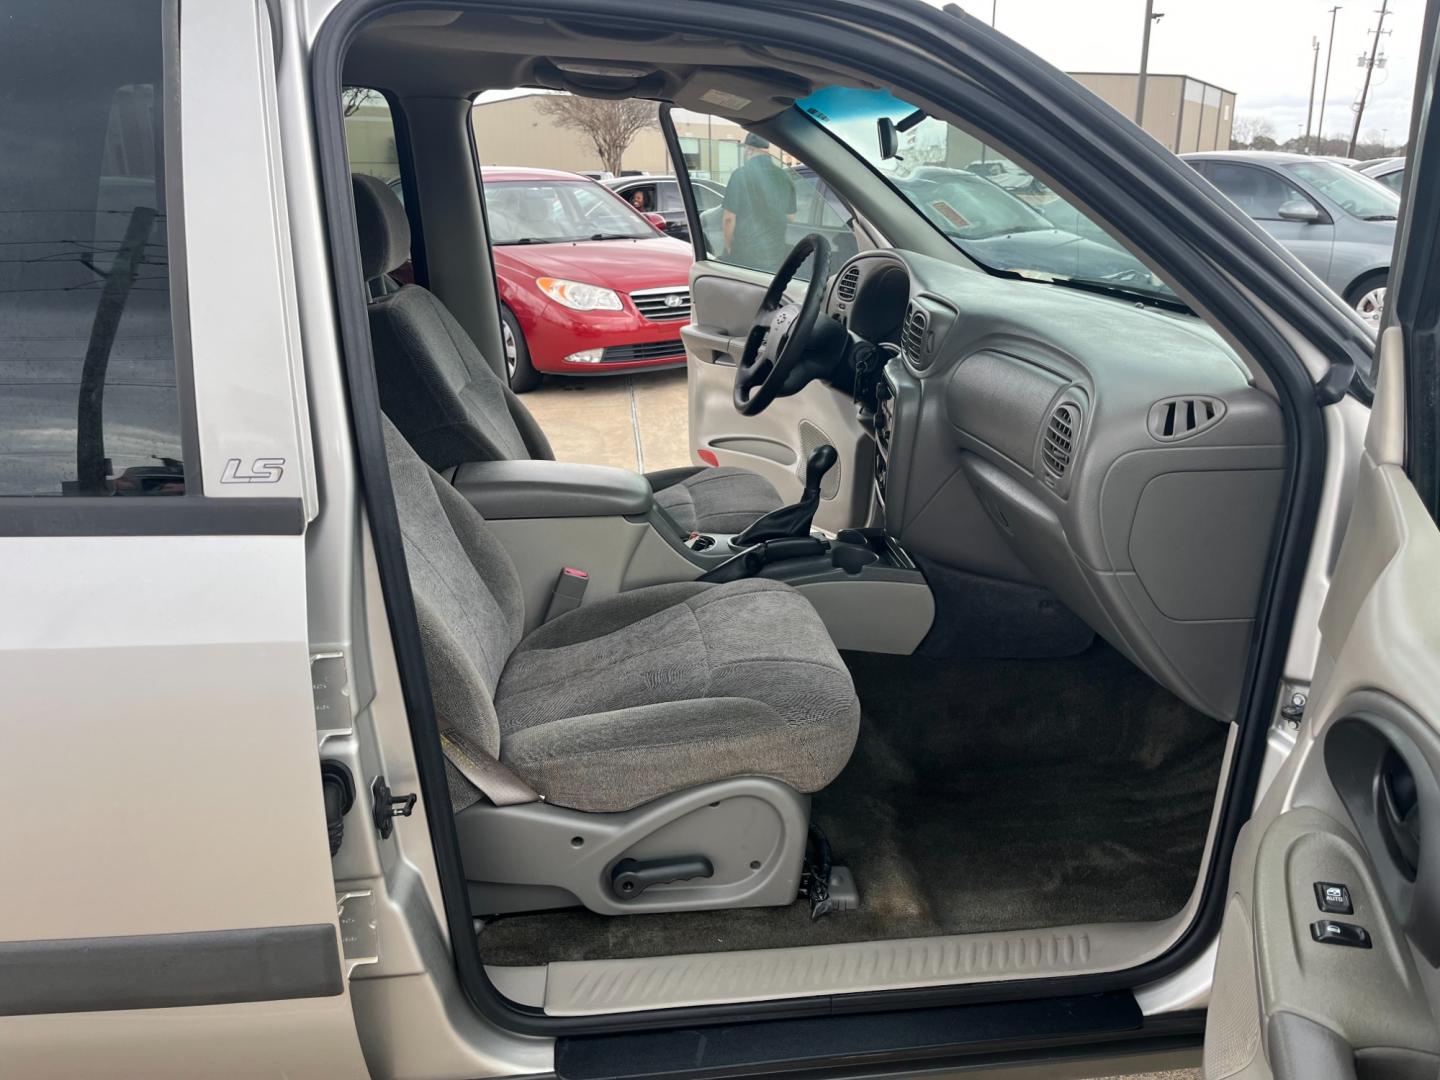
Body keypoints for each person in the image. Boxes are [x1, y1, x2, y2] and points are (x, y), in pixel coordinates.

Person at [722, 132, 796, 272]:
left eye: (745, 149)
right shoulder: (785, 176)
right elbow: (791, 217)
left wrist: (728, 246)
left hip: (745, 255)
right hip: (775, 254)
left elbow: (728, 218)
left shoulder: (740, 175)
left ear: (750, 150)